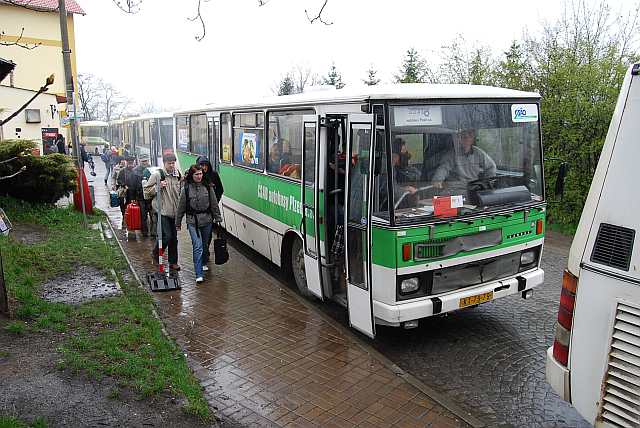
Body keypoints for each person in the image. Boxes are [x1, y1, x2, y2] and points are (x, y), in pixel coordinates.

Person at [176, 164, 223, 283]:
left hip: (207, 220)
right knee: (197, 246)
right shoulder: (186, 189)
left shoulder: (208, 187)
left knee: (204, 245)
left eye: (201, 174)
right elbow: (180, 207)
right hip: (193, 222)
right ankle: (198, 273)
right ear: (192, 175)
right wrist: (178, 223)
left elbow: (213, 203)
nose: (199, 176)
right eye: (197, 174)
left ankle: (203, 262)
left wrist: (218, 218)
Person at [144, 153, 182, 272]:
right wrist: (158, 187)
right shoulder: (157, 175)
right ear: (164, 163)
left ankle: (173, 262)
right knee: (166, 236)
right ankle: (156, 254)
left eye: (173, 163)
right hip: (162, 211)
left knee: (174, 239)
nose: (171, 165)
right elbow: (146, 192)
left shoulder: (177, 175)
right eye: (169, 163)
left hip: (174, 212)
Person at [431, 129, 496, 193]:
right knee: (439, 200)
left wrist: (488, 183)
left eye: (470, 136)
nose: (467, 139)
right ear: (459, 139)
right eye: (464, 137)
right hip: (454, 190)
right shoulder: (451, 154)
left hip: (473, 188)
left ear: (473, 139)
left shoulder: (478, 153)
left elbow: (491, 166)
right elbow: (443, 168)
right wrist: (437, 180)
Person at [196, 155, 224, 266]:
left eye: (205, 165)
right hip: (196, 212)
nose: (203, 167)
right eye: (201, 165)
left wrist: (215, 202)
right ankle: (200, 254)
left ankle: (205, 253)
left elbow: (220, 189)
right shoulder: (195, 175)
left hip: (209, 211)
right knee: (198, 235)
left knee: (207, 234)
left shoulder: (214, 175)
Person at [133, 154, 152, 237]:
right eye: (143, 161)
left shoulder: (152, 169)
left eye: (146, 161)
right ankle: (144, 232)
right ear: (139, 161)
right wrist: (133, 198)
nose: (145, 162)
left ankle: (154, 232)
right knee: (143, 215)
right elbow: (133, 185)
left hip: (151, 196)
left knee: (153, 215)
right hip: (140, 197)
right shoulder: (135, 171)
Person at [116, 156, 139, 222]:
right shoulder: (122, 171)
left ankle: (131, 216)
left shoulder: (136, 171)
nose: (130, 165)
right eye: (129, 163)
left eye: (132, 163)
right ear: (126, 163)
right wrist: (124, 185)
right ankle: (124, 215)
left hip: (133, 191)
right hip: (125, 191)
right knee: (123, 205)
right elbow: (119, 180)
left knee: (132, 204)